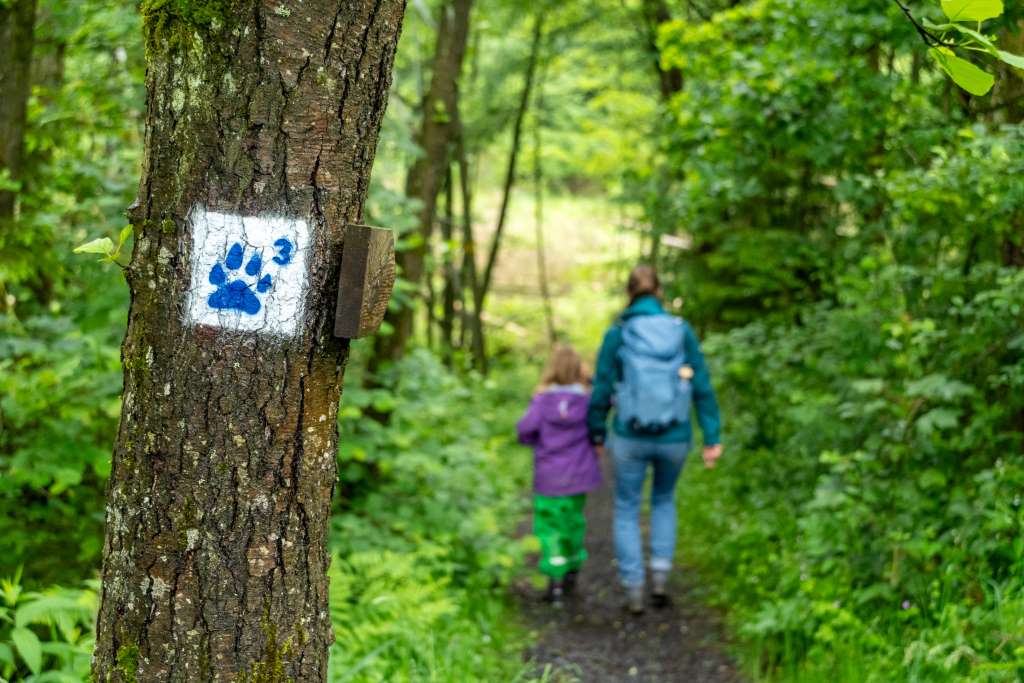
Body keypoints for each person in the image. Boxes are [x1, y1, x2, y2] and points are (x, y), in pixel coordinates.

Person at [587, 265, 722, 614]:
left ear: (629, 293)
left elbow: (602, 387)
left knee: (627, 507)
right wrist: (712, 436)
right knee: (664, 500)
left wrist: (597, 431)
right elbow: (702, 386)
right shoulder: (681, 331)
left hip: (629, 435)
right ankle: (660, 578)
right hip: (675, 434)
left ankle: (634, 590)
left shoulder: (618, 333)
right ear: (659, 292)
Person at [517, 345, 603, 606]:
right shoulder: (587, 401)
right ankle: (572, 572)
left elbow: (525, 430)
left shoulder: (542, 401)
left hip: (549, 476)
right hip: (577, 477)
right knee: (573, 522)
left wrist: (537, 441)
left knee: (549, 527)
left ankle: (554, 583)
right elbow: (597, 426)